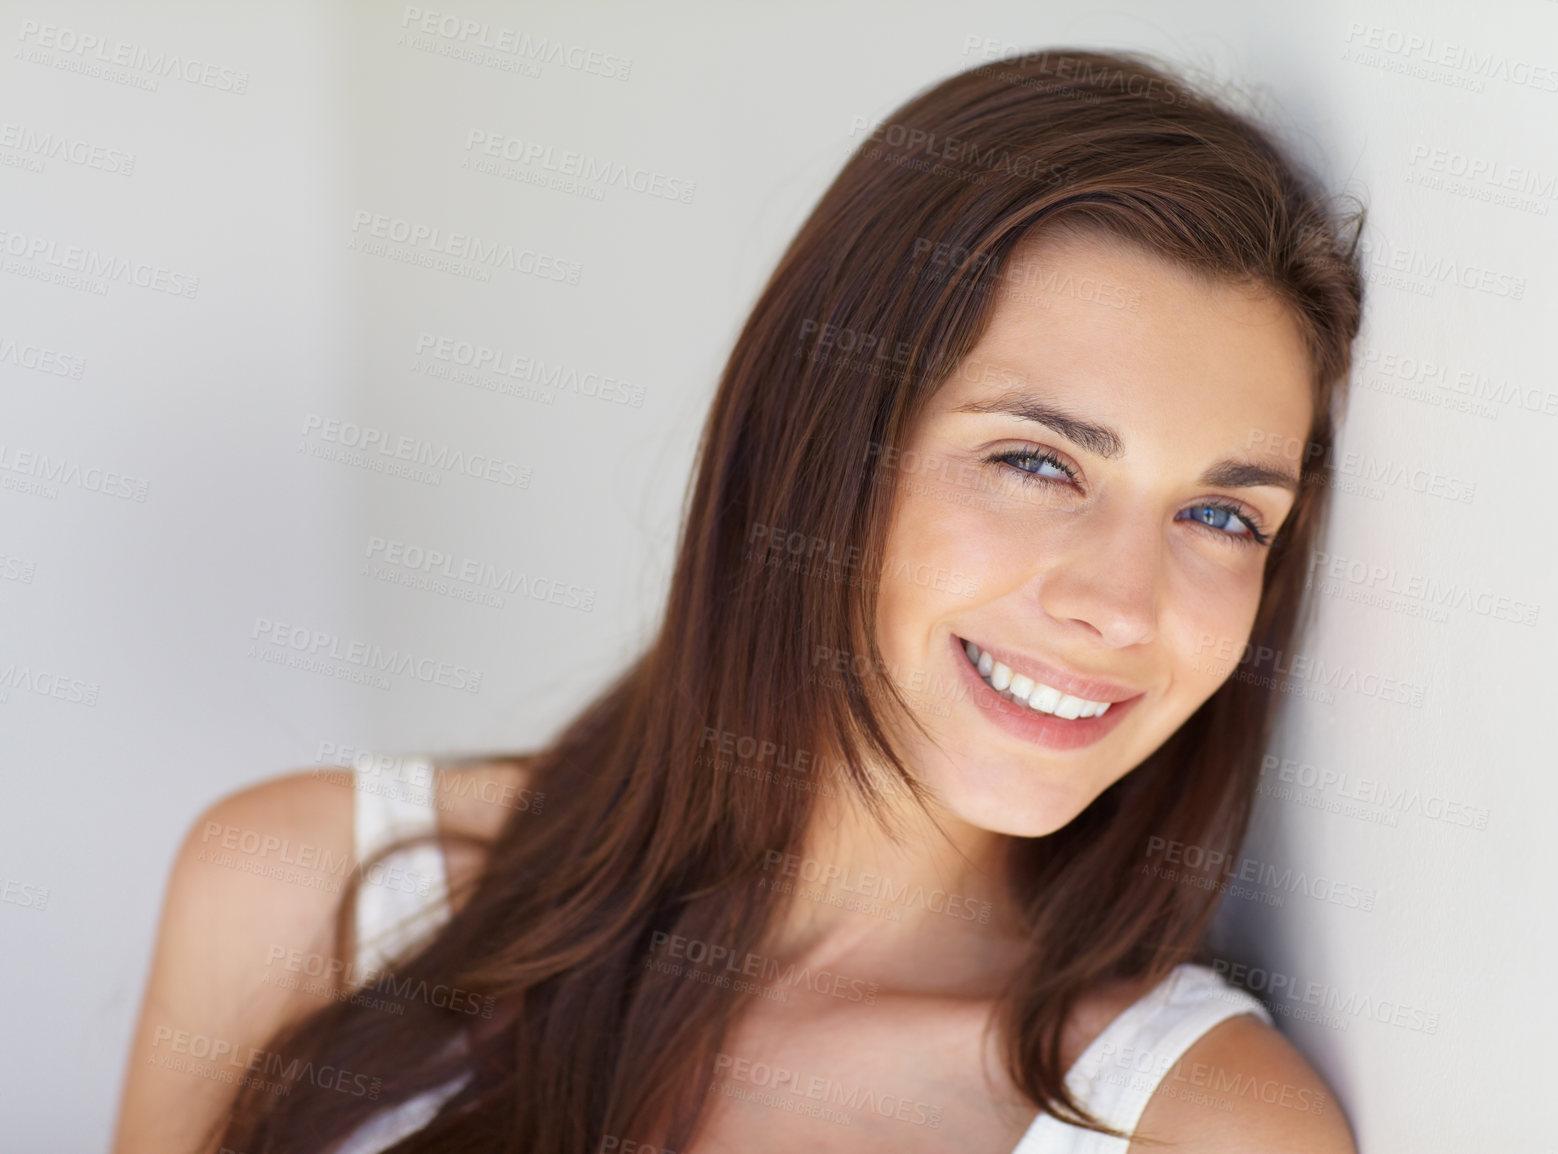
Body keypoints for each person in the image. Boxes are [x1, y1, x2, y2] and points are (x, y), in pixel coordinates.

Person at [113, 47, 1365, 1153]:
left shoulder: (1207, 1124)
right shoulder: (302, 890)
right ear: (817, 451)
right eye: (1036, 462)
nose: (1120, 602)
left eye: (1221, 513)